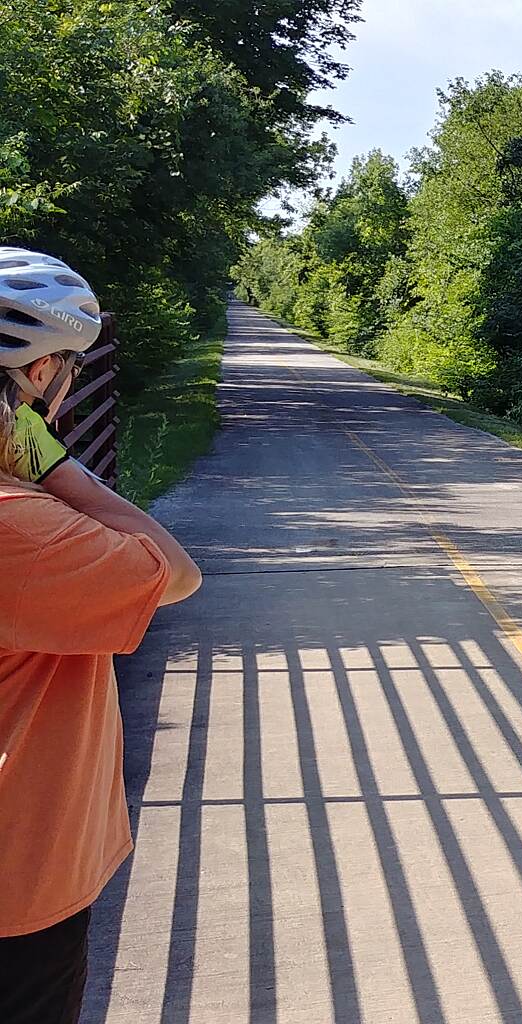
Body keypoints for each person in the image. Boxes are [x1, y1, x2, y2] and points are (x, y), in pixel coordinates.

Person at [0, 248, 201, 1024]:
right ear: (39, 375)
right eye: (68, 366)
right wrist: (59, 469)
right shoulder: (25, 529)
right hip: (21, 881)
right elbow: (174, 573)